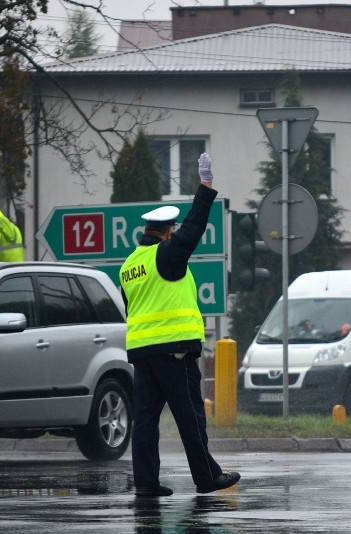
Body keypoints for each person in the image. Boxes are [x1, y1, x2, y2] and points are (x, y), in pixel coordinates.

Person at [119, 152, 240, 498]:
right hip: (174, 351)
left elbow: (132, 307)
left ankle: (146, 482)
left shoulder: (129, 264)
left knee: (145, 421)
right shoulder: (167, 255)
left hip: (142, 353)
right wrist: (205, 187)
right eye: (173, 231)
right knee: (190, 416)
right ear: (168, 232)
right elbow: (195, 227)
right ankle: (207, 477)